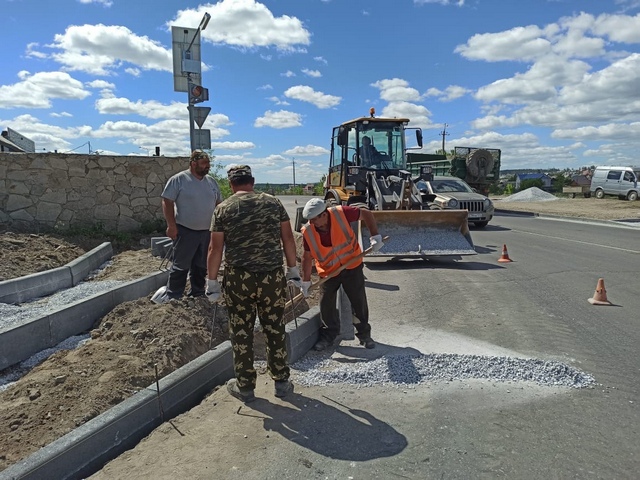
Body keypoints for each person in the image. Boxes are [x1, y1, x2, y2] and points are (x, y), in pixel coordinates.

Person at [205, 165, 301, 403]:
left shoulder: (223, 208)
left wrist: (212, 282)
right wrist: (293, 271)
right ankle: (281, 382)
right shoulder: (273, 203)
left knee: (241, 331)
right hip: (271, 277)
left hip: (239, 279)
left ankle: (245, 386)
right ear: (253, 181)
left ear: (231, 184)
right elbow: (288, 238)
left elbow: (215, 249)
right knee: (274, 327)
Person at [299, 198, 383, 351]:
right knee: (326, 304)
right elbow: (306, 256)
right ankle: (328, 336)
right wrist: (305, 281)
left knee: (358, 301)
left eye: (316, 219)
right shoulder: (308, 231)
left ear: (324, 214)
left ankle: (364, 334)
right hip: (328, 272)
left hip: (352, 266)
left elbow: (366, 213)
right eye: (311, 220)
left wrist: (375, 236)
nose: (314, 223)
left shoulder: (340, 213)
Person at [153, 150, 222, 303]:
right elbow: (167, 201)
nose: (207, 167)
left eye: (208, 164)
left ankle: (197, 292)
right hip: (185, 230)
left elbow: (219, 204)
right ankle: (174, 294)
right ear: (193, 163)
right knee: (181, 264)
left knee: (201, 264)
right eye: (204, 164)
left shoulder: (211, 182)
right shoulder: (179, 180)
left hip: (207, 232)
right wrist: (171, 225)